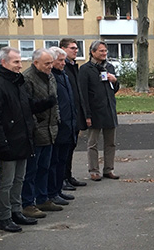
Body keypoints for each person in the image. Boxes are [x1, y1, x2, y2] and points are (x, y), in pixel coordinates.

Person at [0, 47, 40, 232]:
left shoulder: (18, 83)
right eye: (16, 62)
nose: (20, 65)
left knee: (19, 179)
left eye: (20, 61)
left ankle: (16, 210)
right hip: (7, 142)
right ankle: (4, 216)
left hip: (22, 139)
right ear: (4, 62)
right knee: (6, 181)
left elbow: (26, 108)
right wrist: (1, 142)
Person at [21, 48, 63, 216]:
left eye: (51, 63)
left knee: (45, 167)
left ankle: (42, 198)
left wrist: (57, 120)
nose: (50, 67)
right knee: (32, 170)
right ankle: (28, 202)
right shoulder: (27, 78)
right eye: (47, 64)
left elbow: (55, 101)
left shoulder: (50, 76)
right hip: (37, 130)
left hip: (51, 128)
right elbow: (28, 106)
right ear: (35, 62)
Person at [79, 40, 120, 181]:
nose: (104, 53)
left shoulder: (109, 67)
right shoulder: (85, 69)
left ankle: (109, 169)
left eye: (105, 51)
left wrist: (114, 81)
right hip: (94, 111)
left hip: (109, 110)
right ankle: (94, 170)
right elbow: (83, 94)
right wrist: (87, 115)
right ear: (93, 52)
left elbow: (114, 90)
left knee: (111, 143)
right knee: (93, 143)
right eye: (101, 51)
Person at [47, 47, 78, 204]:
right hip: (57, 126)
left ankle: (58, 189)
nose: (63, 63)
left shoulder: (64, 75)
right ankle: (52, 192)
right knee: (54, 162)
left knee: (62, 161)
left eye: (63, 60)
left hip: (68, 124)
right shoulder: (51, 77)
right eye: (60, 60)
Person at [59, 38, 87, 190]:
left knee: (71, 147)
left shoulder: (73, 67)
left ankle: (68, 176)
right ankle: (62, 178)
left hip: (74, 114)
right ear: (62, 49)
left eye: (76, 48)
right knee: (64, 149)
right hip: (65, 116)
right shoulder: (63, 69)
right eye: (72, 48)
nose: (76, 51)